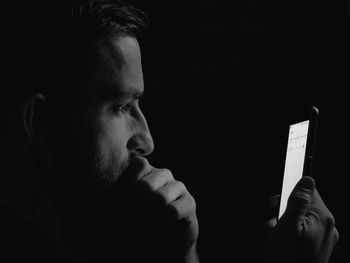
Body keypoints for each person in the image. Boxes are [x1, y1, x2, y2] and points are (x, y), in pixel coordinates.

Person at [0, 0, 338, 262]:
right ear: (40, 123)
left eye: (139, 104)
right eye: (119, 107)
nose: (146, 140)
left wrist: (181, 251)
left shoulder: (70, 230)